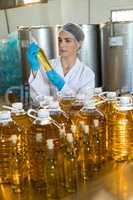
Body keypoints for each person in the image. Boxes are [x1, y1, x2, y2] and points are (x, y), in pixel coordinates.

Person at [27, 23, 95, 101]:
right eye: (60, 40)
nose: (61, 45)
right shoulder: (47, 65)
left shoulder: (87, 74)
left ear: (78, 44)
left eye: (67, 41)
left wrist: (62, 86)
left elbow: (84, 105)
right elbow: (38, 99)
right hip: (50, 113)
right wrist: (35, 70)